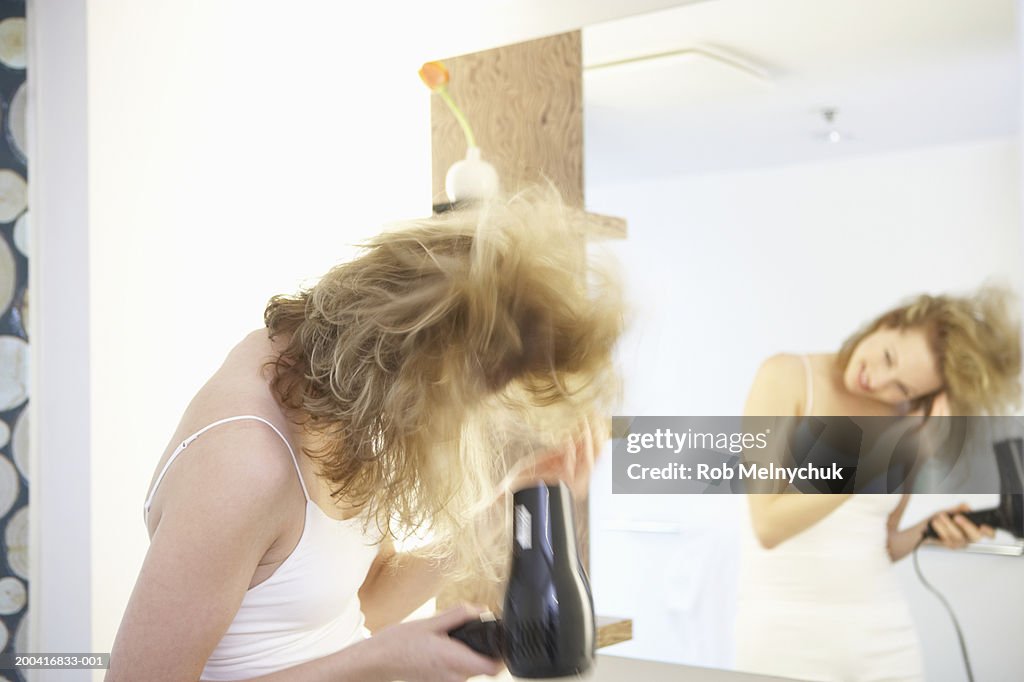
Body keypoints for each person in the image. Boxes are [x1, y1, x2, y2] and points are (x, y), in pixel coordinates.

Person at [107, 191, 624, 682]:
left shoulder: (342, 394)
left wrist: (498, 509)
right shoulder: (244, 461)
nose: (467, 421)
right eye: (472, 396)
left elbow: (367, 601)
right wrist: (374, 663)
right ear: (420, 360)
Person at [734, 287, 1021, 682]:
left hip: (884, 639)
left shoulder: (908, 422)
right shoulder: (787, 377)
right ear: (888, 322)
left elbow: (880, 543)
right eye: (888, 357)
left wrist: (927, 530)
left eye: (903, 388)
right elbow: (768, 525)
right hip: (785, 636)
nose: (879, 381)